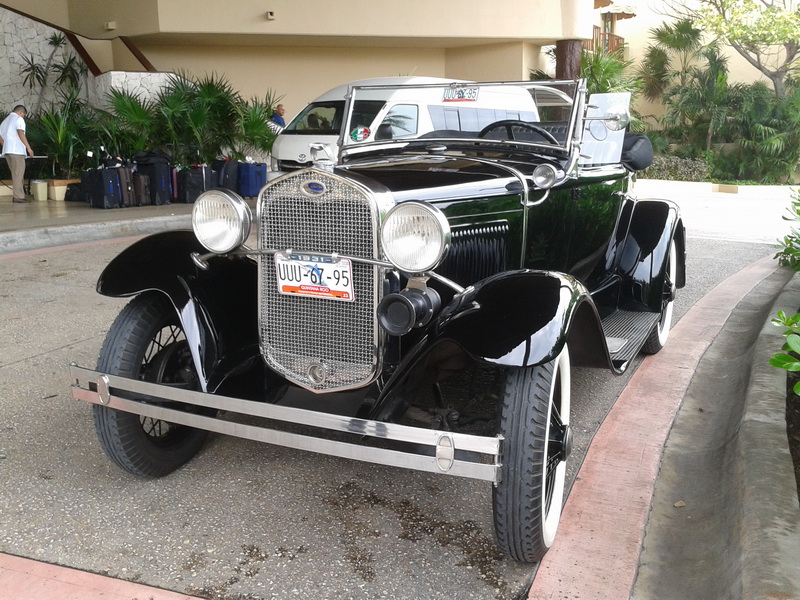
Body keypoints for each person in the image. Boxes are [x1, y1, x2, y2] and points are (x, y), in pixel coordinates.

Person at [0, 105, 35, 203]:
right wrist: (29, 148)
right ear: (21, 112)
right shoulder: (19, 119)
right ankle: (18, 197)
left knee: (16, 174)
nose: (23, 116)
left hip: (7, 151)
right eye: (24, 115)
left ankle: (19, 195)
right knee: (18, 174)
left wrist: (6, 145)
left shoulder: (5, 121)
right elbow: (20, 133)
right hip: (17, 152)